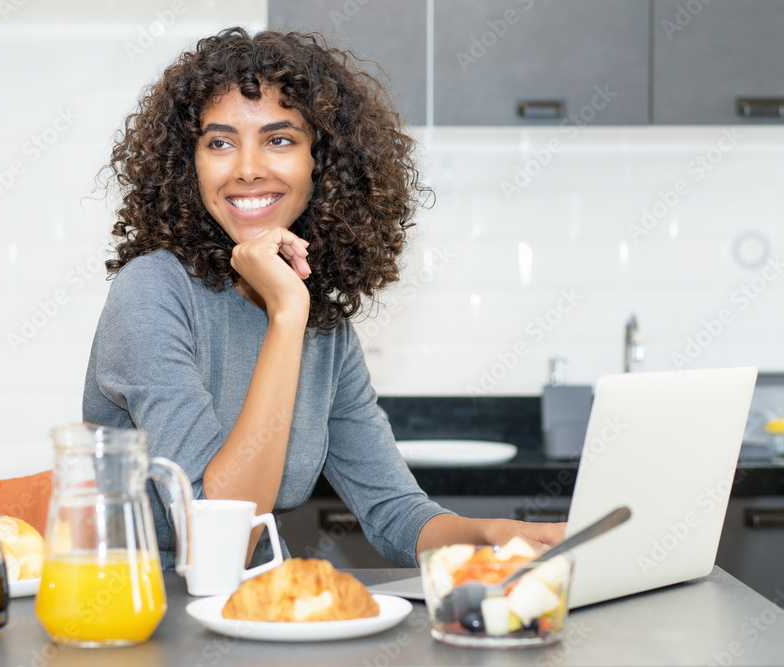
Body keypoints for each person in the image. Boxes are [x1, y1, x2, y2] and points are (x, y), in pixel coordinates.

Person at [83, 27, 564, 570]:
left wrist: (501, 534)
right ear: (187, 166)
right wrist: (287, 316)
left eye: (279, 139)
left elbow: (396, 513)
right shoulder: (152, 291)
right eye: (219, 142)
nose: (246, 168)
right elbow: (216, 537)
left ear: (323, 161)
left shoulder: (322, 322)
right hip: (147, 623)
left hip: (257, 617)